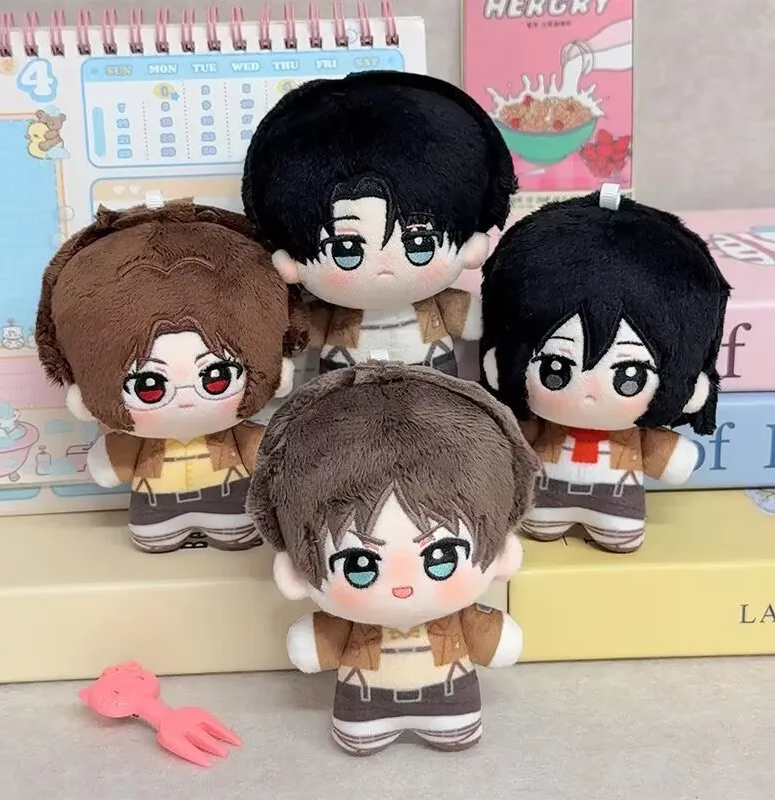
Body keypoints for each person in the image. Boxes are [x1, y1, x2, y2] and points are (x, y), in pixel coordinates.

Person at [247, 361, 538, 754]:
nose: (403, 586)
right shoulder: (348, 622)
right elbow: (315, 647)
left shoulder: (460, 619)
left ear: (502, 555)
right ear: (295, 574)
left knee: (452, 725)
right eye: (360, 565)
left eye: (440, 557)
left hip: (449, 698)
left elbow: (498, 644)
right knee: (361, 731)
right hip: (364, 702)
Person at [36, 200, 307, 553]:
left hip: (230, 504)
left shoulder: (236, 437)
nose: (186, 396)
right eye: (149, 386)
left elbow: (267, 455)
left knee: (235, 525)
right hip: (155, 508)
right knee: (158, 532)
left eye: (216, 377)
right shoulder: (140, 441)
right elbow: (109, 467)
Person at [481, 184, 731, 553]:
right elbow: (511, 443)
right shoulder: (539, 426)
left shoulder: (635, 433)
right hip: (545, 501)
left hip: (616, 503)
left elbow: (671, 462)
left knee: (619, 527)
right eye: (555, 368)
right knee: (542, 519)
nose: (590, 391)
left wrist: (671, 453)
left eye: (629, 376)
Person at [242, 70, 517, 375]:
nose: (385, 266)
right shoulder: (329, 314)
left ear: (471, 249)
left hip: (432, 384)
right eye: (347, 249)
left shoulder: (443, 303)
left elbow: (474, 323)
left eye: (419, 243)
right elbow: (301, 334)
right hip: (347, 389)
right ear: (291, 264)